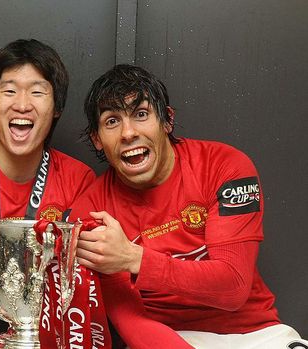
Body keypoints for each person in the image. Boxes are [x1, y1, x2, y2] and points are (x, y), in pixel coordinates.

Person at [0, 40, 189, 349]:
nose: (23, 104)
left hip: (49, 325)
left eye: (38, 92)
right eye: (9, 91)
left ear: (56, 109)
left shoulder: (79, 180)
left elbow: (92, 289)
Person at [71, 64, 308, 348]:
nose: (128, 133)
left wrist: (133, 258)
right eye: (112, 121)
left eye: (141, 114)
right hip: (168, 339)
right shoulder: (92, 209)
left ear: (167, 120)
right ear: (97, 139)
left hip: (256, 335)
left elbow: (233, 287)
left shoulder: (224, 166)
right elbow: (130, 321)